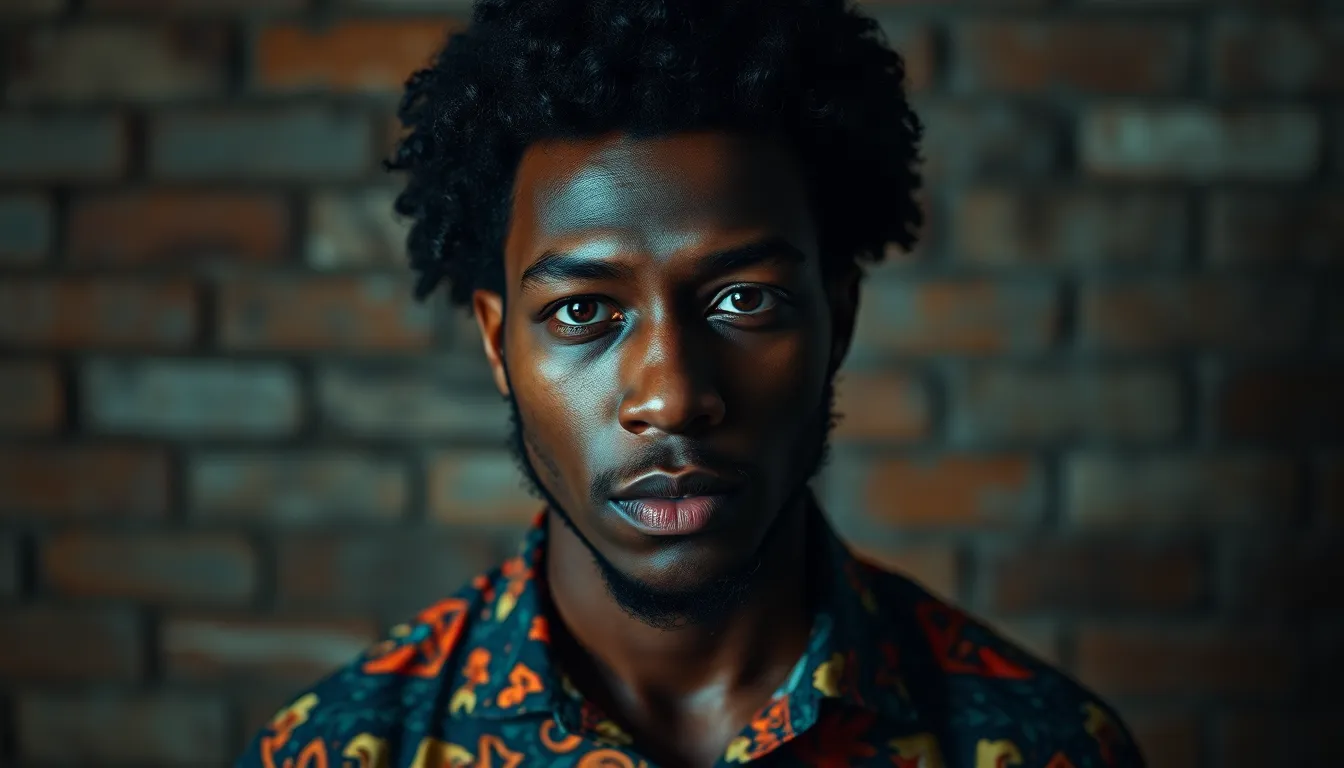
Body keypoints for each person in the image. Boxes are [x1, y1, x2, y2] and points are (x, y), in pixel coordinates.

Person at [237, 0, 1145, 765]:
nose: (672, 397)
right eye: (584, 314)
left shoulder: (1044, 746)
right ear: (496, 342)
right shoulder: (338, 750)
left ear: (840, 317)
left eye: (744, 300)